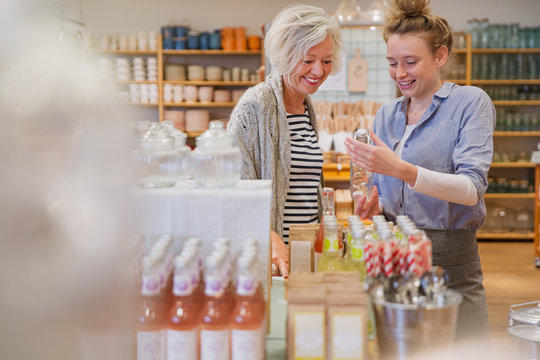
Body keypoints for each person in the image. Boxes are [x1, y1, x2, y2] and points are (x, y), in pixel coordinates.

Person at [345, 0, 494, 338]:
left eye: (411, 62)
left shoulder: (470, 103)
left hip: (450, 258)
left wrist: (403, 170)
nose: (400, 73)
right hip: (393, 254)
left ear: (440, 56)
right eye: (393, 63)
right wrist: (373, 203)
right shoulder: (387, 114)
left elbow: (471, 190)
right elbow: (381, 186)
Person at [228, 5, 342, 277]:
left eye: (327, 61)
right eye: (308, 60)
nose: (318, 70)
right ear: (286, 56)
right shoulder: (256, 105)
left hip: (305, 253)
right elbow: (232, 185)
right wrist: (269, 237)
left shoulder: (306, 108)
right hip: (272, 259)